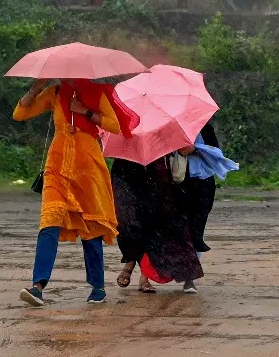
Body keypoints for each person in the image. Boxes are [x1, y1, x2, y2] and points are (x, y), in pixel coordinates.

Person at [13, 77, 136, 307]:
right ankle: (37, 286)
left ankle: (97, 287)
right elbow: (20, 114)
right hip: (57, 167)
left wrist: (85, 111)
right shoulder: (55, 91)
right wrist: (37, 87)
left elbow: (114, 125)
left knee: (90, 227)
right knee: (49, 222)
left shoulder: (98, 93)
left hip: (87, 169)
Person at [113, 148, 204, 294]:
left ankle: (143, 276)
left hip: (157, 176)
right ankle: (129, 264)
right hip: (127, 174)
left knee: (156, 226)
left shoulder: (163, 127)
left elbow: (183, 147)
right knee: (130, 227)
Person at [181, 122, 238, 253]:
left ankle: (192, 265)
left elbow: (216, 154)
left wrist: (195, 150)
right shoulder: (169, 130)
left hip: (201, 184)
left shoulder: (204, 128)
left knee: (196, 230)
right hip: (176, 183)